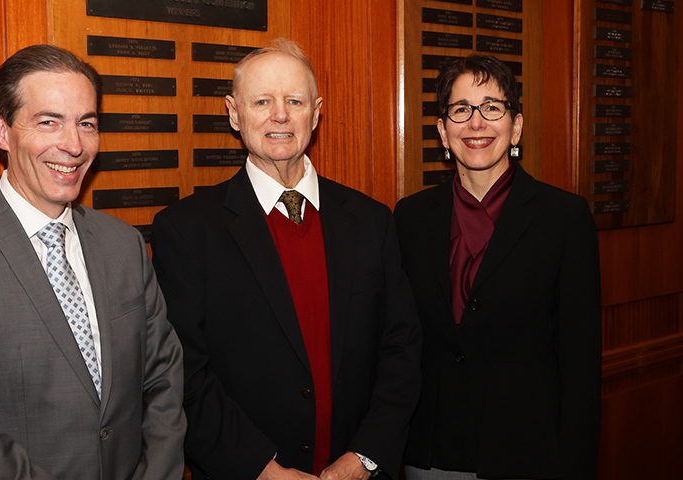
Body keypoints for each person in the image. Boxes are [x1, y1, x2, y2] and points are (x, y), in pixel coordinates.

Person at [0, 44, 186, 480]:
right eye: (48, 121)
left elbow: (163, 379)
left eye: (86, 123)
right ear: (2, 130)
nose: (72, 144)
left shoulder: (123, 244)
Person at [151, 38, 422, 480]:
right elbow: (184, 373)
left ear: (315, 113)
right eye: (262, 101)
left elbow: (402, 349)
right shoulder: (187, 230)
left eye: (294, 101)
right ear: (234, 113)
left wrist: (365, 457)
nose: (280, 115)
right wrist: (263, 470)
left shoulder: (372, 221)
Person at [394, 54, 601, 480]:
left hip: (527, 447)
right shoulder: (410, 218)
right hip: (431, 449)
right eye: (461, 110)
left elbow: (581, 366)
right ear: (442, 131)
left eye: (492, 107)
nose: (476, 122)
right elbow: (396, 339)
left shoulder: (563, 217)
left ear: (516, 126)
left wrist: (575, 466)